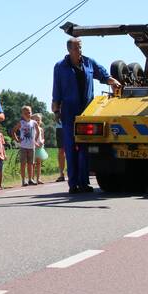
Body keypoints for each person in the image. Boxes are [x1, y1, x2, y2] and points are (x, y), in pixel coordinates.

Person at [52, 37, 122, 195]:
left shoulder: (89, 63)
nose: (80, 51)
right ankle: (73, 184)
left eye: (81, 47)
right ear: (69, 50)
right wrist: (56, 110)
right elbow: (56, 89)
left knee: (84, 148)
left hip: (87, 111)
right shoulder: (60, 67)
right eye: (76, 48)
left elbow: (103, 75)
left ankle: (84, 183)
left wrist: (112, 81)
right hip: (69, 111)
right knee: (70, 148)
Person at [13, 105, 38, 186]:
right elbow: (13, 131)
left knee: (31, 164)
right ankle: (24, 180)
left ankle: (30, 179)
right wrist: (17, 140)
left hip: (32, 146)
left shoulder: (34, 122)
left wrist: (35, 139)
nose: (28, 114)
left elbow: (38, 131)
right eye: (25, 113)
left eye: (29, 112)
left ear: (31, 113)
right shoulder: (21, 123)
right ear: (22, 114)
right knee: (23, 164)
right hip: (23, 146)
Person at [33, 112, 48, 184]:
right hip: (33, 147)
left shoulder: (41, 129)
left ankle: (38, 178)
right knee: (32, 163)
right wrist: (35, 144)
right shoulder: (31, 128)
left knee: (38, 163)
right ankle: (31, 178)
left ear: (40, 121)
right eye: (35, 120)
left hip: (39, 147)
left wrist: (41, 142)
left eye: (38, 120)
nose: (37, 121)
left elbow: (43, 138)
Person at [54, 116, 66, 182]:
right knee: (61, 150)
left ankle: (75, 173)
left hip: (72, 124)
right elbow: (54, 107)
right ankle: (61, 174)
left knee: (73, 150)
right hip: (60, 127)